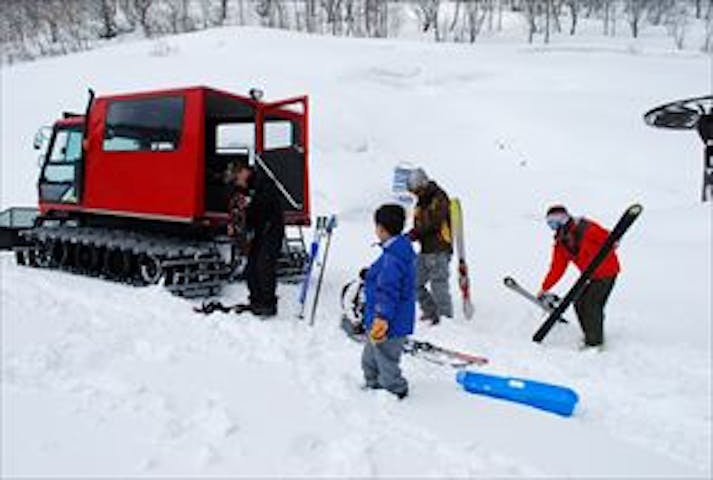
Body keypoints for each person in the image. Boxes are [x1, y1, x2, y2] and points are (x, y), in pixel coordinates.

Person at [538, 205, 620, 349]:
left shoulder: (587, 229)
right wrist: (545, 287)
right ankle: (590, 335)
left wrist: (613, 241)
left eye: (556, 221)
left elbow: (607, 237)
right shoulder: (561, 243)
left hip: (607, 272)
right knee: (579, 303)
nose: (554, 226)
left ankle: (595, 342)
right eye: (550, 223)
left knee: (591, 305)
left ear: (565, 218)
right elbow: (557, 268)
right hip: (590, 276)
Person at [361, 204, 416, 400]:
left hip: (389, 321)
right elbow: (384, 276)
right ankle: (372, 384)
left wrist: (382, 318)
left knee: (385, 358)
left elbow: (389, 290)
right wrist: (369, 274)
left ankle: (396, 389)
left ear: (382, 229)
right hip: (383, 318)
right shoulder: (395, 250)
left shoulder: (394, 257)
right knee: (370, 357)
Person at [229, 162, 285, 317]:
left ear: (244, 172)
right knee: (251, 267)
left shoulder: (263, 182)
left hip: (272, 229)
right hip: (260, 231)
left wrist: (249, 205)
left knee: (264, 265)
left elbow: (264, 205)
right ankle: (256, 300)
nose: (237, 181)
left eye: (237, 177)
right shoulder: (246, 188)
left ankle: (268, 303)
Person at [406, 168, 453, 325]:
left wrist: (414, 233)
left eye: (416, 190)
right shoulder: (422, 200)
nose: (415, 194)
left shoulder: (438, 197)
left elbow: (433, 222)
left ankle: (445, 318)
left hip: (439, 247)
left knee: (438, 284)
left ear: (423, 185)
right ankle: (431, 312)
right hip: (426, 249)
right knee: (413, 281)